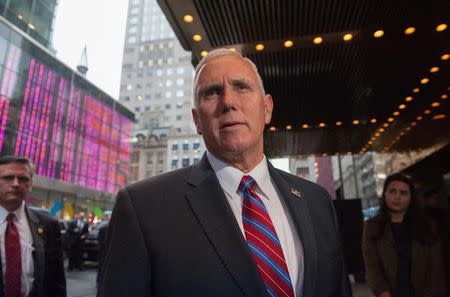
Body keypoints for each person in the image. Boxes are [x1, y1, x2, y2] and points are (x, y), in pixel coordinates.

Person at [98, 49, 351, 297]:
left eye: (241, 86)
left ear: (267, 108)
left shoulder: (317, 201)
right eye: (212, 92)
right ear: (197, 120)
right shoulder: (143, 209)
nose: (228, 102)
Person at [362, 173, 447, 297]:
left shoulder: (428, 225)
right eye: (392, 191)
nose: (397, 197)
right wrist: (382, 292)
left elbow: (436, 267)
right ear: (384, 194)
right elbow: (372, 266)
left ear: (411, 197)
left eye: (403, 193)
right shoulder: (372, 226)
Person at [0, 155, 66, 297]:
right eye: (8, 178)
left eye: (23, 179)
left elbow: (56, 278)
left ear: (30, 184)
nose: (16, 184)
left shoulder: (48, 224)